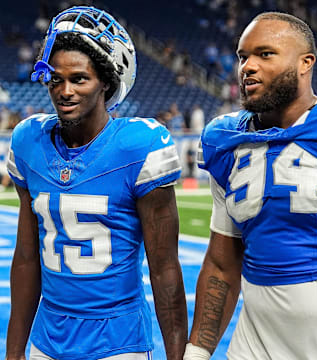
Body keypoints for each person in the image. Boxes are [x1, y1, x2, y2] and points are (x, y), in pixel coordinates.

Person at [5, 6, 187, 360]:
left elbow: (164, 267)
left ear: (106, 81)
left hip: (117, 343)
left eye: (79, 79)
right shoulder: (29, 140)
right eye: (56, 79)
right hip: (48, 339)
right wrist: (14, 352)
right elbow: (27, 256)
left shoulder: (137, 146)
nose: (65, 91)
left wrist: (177, 356)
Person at [184, 11, 317, 360]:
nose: (248, 66)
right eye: (242, 56)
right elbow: (223, 262)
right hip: (255, 343)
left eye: (265, 54)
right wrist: (197, 353)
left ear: (305, 63)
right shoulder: (225, 141)